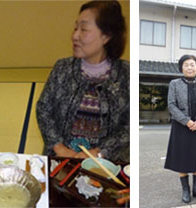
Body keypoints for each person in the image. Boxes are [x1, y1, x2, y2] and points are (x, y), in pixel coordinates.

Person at [37, 0, 129, 162]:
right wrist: (59, 148)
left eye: (84, 29)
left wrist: (100, 152)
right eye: (75, 28)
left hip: (105, 164)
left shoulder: (126, 74)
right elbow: (43, 109)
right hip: (60, 160)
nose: (75, 36)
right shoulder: (62, 68)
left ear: (106, 36)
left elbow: (129, 126)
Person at [164, 55, 196, 203]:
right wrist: (186, 121)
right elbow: (171, 105)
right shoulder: (175, 83)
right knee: (182, 158)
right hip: (181, 127)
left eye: (192, 65)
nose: (190, 67)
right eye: (186, 65)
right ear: (181, 68)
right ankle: (186, 190)